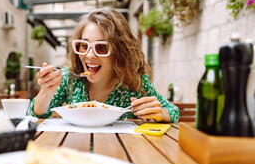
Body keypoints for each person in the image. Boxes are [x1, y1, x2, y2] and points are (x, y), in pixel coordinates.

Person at [28, 8, 179, 122]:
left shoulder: (133, 84)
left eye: (102, 47)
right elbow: (34, 115)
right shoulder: (69, 78)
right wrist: (45, 92)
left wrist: (160, 113)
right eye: (83, 46)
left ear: (119, 52)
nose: (89, 55)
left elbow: (173, 111)